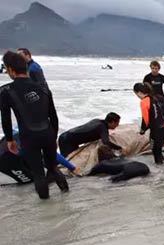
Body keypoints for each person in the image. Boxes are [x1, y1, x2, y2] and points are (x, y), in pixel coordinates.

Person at [0, 51, 67, 199]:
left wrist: (10, 140)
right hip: (48, 133)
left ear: (11, 69)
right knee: (53, 167)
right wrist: (54, 137)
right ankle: (66, 195)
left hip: (29, 136)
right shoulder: (43, 88)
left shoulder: (5, 91)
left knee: (38, 173)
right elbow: (53, 116)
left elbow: (5, 118)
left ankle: (46, 209)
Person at [57, 113, 122, 157]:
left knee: (73, 159)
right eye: (117, 123)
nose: (118, 125)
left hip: (67, 137)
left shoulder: (97, 121)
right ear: (113, 122)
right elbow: (106, 142)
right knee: (67, 162)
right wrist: (119, 148)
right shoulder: (102, 127)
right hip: (66, 141)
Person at [133, 82, 164, 165]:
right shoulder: (154, 98)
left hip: (156, 131)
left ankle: (161, 175)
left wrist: (142, 130)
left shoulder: (144, 102)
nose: (137, 96)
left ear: (139, 92)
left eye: (136, 94)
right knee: (159, 151)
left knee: (156, 152)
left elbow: (145, 120)